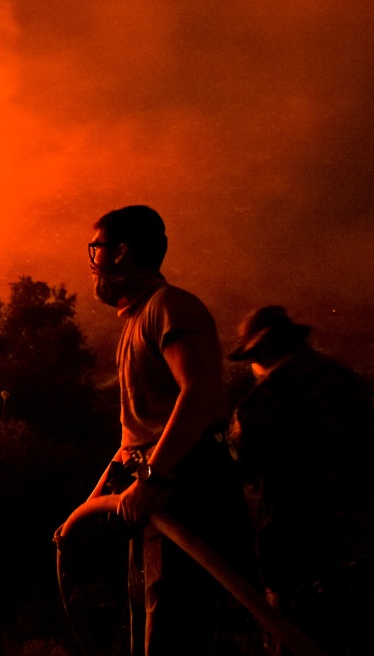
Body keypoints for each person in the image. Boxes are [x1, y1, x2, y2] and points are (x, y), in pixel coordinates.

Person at [80, 205, 254, 655]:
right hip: (156, 489)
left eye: (96, 249)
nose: (92, 262)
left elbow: (201, 395)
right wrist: (91, 503)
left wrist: (153, 479)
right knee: (151, 618)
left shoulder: (169, 308)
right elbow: (136, 435)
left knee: (173, 628)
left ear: (121, 253)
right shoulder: (137, 320)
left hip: (184, 489)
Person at [227, 306, 373, 654]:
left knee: (290, 638)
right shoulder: (345, 380)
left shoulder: (265, 399)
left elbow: (242, 462)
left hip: (298, 550)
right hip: (362, 541)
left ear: (259, 353)